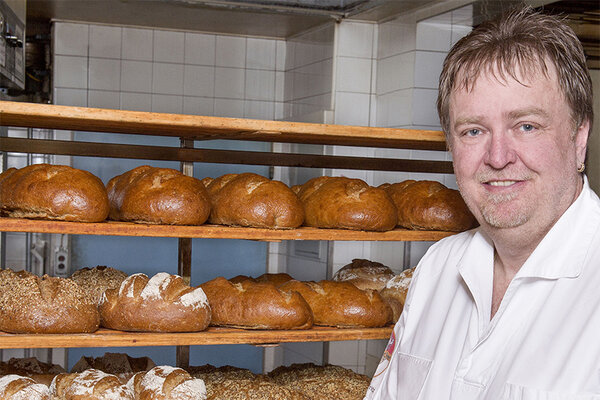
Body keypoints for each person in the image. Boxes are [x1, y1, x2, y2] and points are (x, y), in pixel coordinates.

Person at [365, 6, 598, 399]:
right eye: (473, 131)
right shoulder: (437, 268)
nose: (498, 156)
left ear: (579, 140)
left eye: (526, 125)